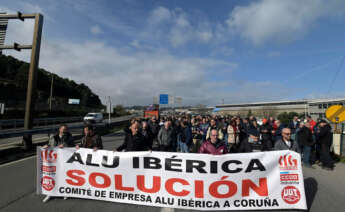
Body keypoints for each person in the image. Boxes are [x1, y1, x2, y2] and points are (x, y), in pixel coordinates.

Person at [42, 124, 74, 203]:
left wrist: (65, 145)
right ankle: (49, 193)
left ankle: (64, 192)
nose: (64, 130)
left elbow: (72, 146)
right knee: (52, 176)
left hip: (64, 159)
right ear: (59, 129)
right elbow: (49, 144)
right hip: (54, 160)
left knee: (63, 176)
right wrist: (46, 146)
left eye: (65, 129)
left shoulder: (69, 136)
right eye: (63, 129)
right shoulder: (53, 136)